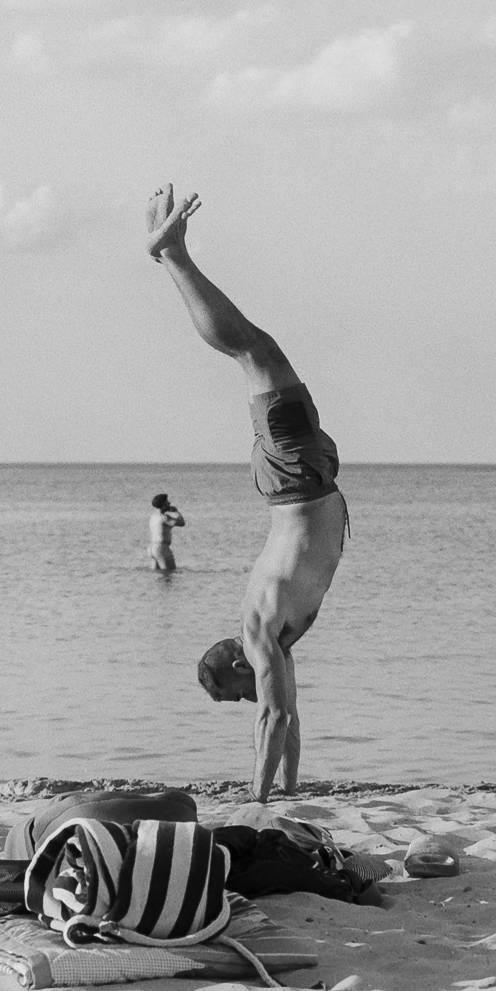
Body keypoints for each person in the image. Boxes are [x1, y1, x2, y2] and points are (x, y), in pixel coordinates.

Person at [147, 184, 346, 802]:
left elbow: (272, 716)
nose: (249, 698)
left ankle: (171, 254)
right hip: (301, 479)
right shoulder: (277, 643)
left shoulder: (259, 629)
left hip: (295, 479)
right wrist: (288, 790)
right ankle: (170, 253)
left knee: (252, 349)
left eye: (237, 694)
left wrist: (255, 802)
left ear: (239, 665)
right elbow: (289, 719)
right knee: (255, 350)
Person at [147, 492, 186, 572]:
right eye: (167, 502)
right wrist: (176, 512)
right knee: (169, 572)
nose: (169, 503)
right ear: (163, 504)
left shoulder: (153, 517)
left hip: (151, 548)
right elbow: (182, 523)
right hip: (161, 548)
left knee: (156, 573)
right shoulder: (165, 518)